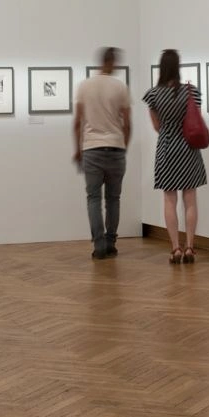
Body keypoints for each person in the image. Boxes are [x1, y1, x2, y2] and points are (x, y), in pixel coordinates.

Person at [141, 49, 207, 264]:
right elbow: (195, 119)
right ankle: (190, 247)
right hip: (189, 149)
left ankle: (175, 248)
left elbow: (157, 126)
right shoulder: (192, 92)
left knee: (170, 199)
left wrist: (169, 131)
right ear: (178, 67)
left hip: (167, 149)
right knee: (190, 199)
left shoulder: (153, 94)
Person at [73, 47, 131, 260]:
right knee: (113, 199)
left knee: (93, 198)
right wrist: (124, 145)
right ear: (113, 62)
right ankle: (111, 242)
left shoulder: (85, 86)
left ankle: (99, 246)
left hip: (92, 148)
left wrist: (76, 149)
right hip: (116, 148)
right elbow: (128, 123)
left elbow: (77, 122)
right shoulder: (120, 87)